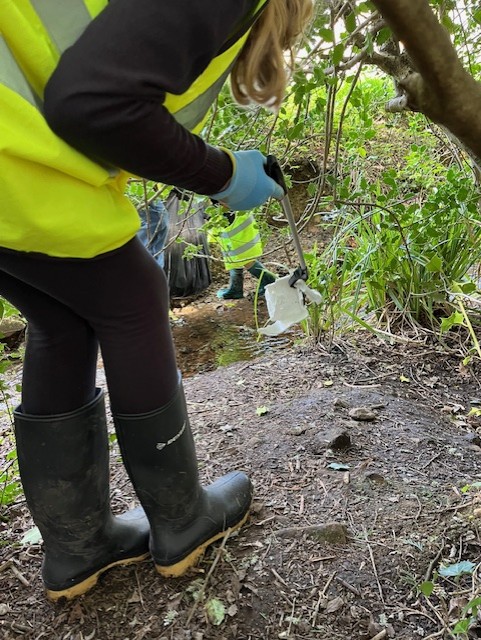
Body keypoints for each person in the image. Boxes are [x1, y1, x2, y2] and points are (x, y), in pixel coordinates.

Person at [0, 0, 313, 601]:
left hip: (14, 156)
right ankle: (181, 521)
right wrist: (221, 173)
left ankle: (77, 549)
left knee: (60, 320)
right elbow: (93, 101)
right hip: (18, 159)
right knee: (135, 296)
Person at [215, 210, 277, 299]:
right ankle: (236, 288)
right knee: (232, 255)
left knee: (242, 255)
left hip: (233, 218)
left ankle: (269, 281)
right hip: (234, 215)